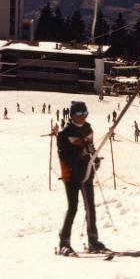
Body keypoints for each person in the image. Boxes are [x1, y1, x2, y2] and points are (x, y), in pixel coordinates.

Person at [57, 101, 106, 256]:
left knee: (90, 206)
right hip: (71, 175)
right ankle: (64, 242)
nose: (83, 117)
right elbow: (64, 156)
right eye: (80, 114)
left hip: (86, 173)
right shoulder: (65, 133)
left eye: (85, 114)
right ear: (72, 116)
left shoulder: (87, 129)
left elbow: (91, 148)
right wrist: (81, 153)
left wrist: (95, 158)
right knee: (73, 207)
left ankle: (93, 240)